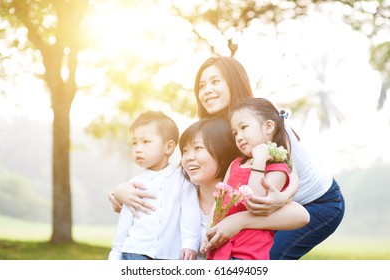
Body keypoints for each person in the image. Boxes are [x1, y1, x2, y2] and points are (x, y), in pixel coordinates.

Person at [109, 56, 345, 260]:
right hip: (264, 204)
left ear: (234, 82)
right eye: (201, 85)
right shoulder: (228, 131)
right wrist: (122, 190)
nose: (206, 90)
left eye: (215, 81)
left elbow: (290, 170)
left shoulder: (261, 120)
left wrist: (281, 198)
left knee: (267, 258)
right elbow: (183, 170)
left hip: (315, 203)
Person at [178, 117, 309, 259]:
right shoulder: (181, 192)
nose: (188, 157)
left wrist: (239, 221)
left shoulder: (241, 194)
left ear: (222, 152)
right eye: (184, 150)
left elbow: (301, 215)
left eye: (198, 148)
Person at [204, 98, 292, 260]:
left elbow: (254, 201)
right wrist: (210, 229)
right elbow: (219, 200)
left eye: (244, 127)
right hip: (220, 246)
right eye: (235, 132)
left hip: (247, 252)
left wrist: (259, 160)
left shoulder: (278, 169)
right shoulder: (236, 164)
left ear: (268, 127)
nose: (238, 136)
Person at [108, 111, 201, 260]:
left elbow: (190, 215)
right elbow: (124, 224)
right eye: (134, 143)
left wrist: (190, 244)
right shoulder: (132, 185)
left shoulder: (183, 181)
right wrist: (115, 253)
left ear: (168, 147)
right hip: (134, 253)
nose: (138, 148)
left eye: (145, 142)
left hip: (170, 255)